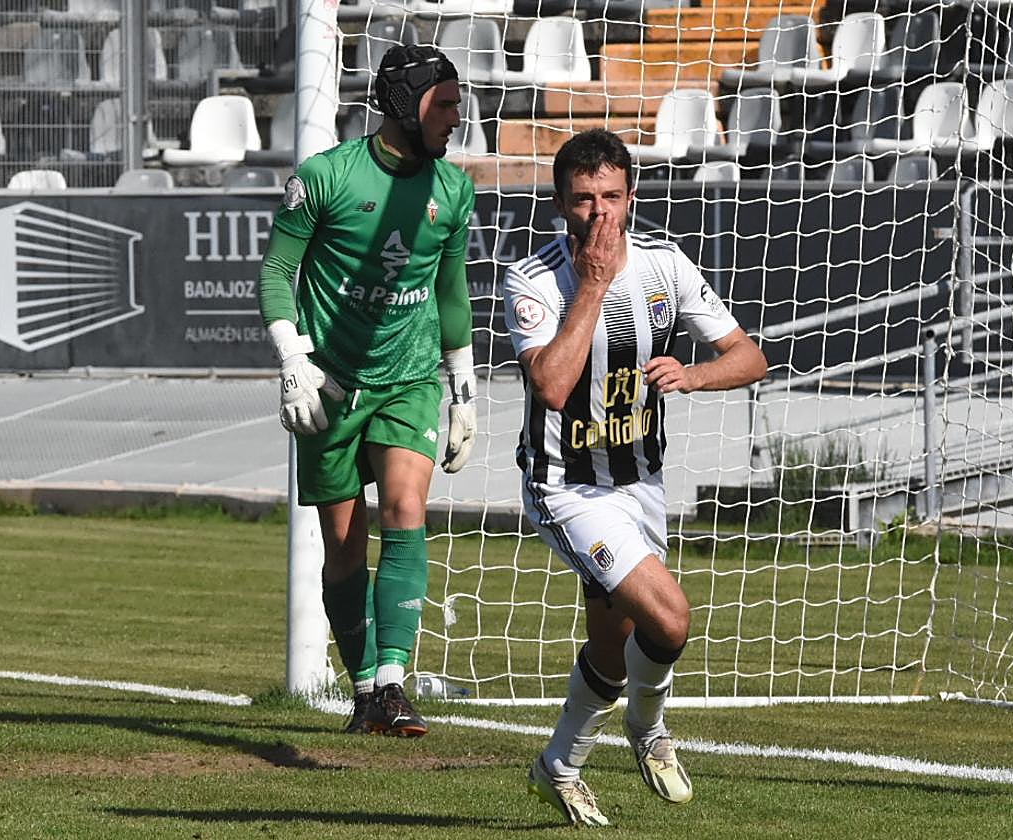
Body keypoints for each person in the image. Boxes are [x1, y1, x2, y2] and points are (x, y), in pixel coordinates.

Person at [503, 129, 768, 825]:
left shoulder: (664, 265)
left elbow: (749, 357)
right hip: (565, 484)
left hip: (640, 483)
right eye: (585, 200)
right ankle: (649, 732)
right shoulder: (534, 279)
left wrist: (696, 374)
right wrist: (590, 285)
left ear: (632, 196)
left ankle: (558, 765)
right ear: (560, 204)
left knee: (611, 651)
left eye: (612, 198)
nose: (601, 215)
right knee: (670, 621)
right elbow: (554, 387)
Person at [257, 45, 478, 738]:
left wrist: (464, 391)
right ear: (404, 104)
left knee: (406, 509)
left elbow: (450, 293)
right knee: (345, 549)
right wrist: (293, 360)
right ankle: (364, 695)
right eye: (443, 103)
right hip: (330, 387)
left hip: (409, 380)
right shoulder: (324, 179)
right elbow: (275, 274)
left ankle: (393, 682)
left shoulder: (455, 188)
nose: (456, 116)